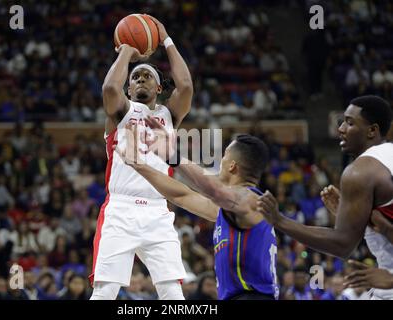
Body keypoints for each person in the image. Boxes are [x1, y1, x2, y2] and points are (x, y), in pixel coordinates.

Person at [89, 15, 193, 300]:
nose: (141, 79)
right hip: (120, 208)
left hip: (158, 209)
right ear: (129, 89)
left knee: (172, 291)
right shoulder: (120, 112)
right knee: (105, 290)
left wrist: (166, 39)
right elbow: (110, 89)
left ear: (159, 89)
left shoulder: (168, 115)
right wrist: (126, 50)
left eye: (148, 76)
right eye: (135, 77)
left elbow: (185, 87)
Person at [117, 124, 278, 300]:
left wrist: (170, 154)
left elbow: (214, 190)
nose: (220, 162)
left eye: (223, 156)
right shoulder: (233, 209)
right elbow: (182, 196)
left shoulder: (252, 201)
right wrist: (138, 165)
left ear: (232, 166)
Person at [257, 95, 393, 300]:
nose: (341, 129)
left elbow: (343, 245)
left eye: (349, 122)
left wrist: (280, 220)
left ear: (372, 130)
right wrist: (357, 218)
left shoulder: (360, 172)